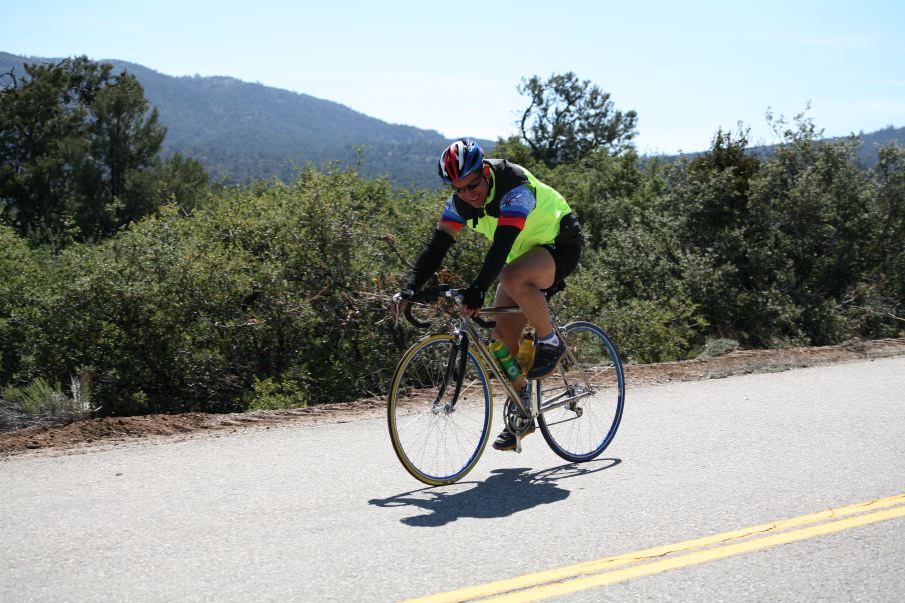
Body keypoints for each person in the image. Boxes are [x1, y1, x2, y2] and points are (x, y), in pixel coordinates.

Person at [394, 138, 584, 451]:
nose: (468, 195)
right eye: (458, 189)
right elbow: (438, 245)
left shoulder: (514, 186)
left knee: (510, 275)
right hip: (522, 256)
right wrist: (410, 287)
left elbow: (502, 245)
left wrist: (479, 288)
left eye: (472, 185)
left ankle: (551, 341)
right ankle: (522, 409)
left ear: (484, 171)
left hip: (559, 243)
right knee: (501, 340)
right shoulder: (459, 203)